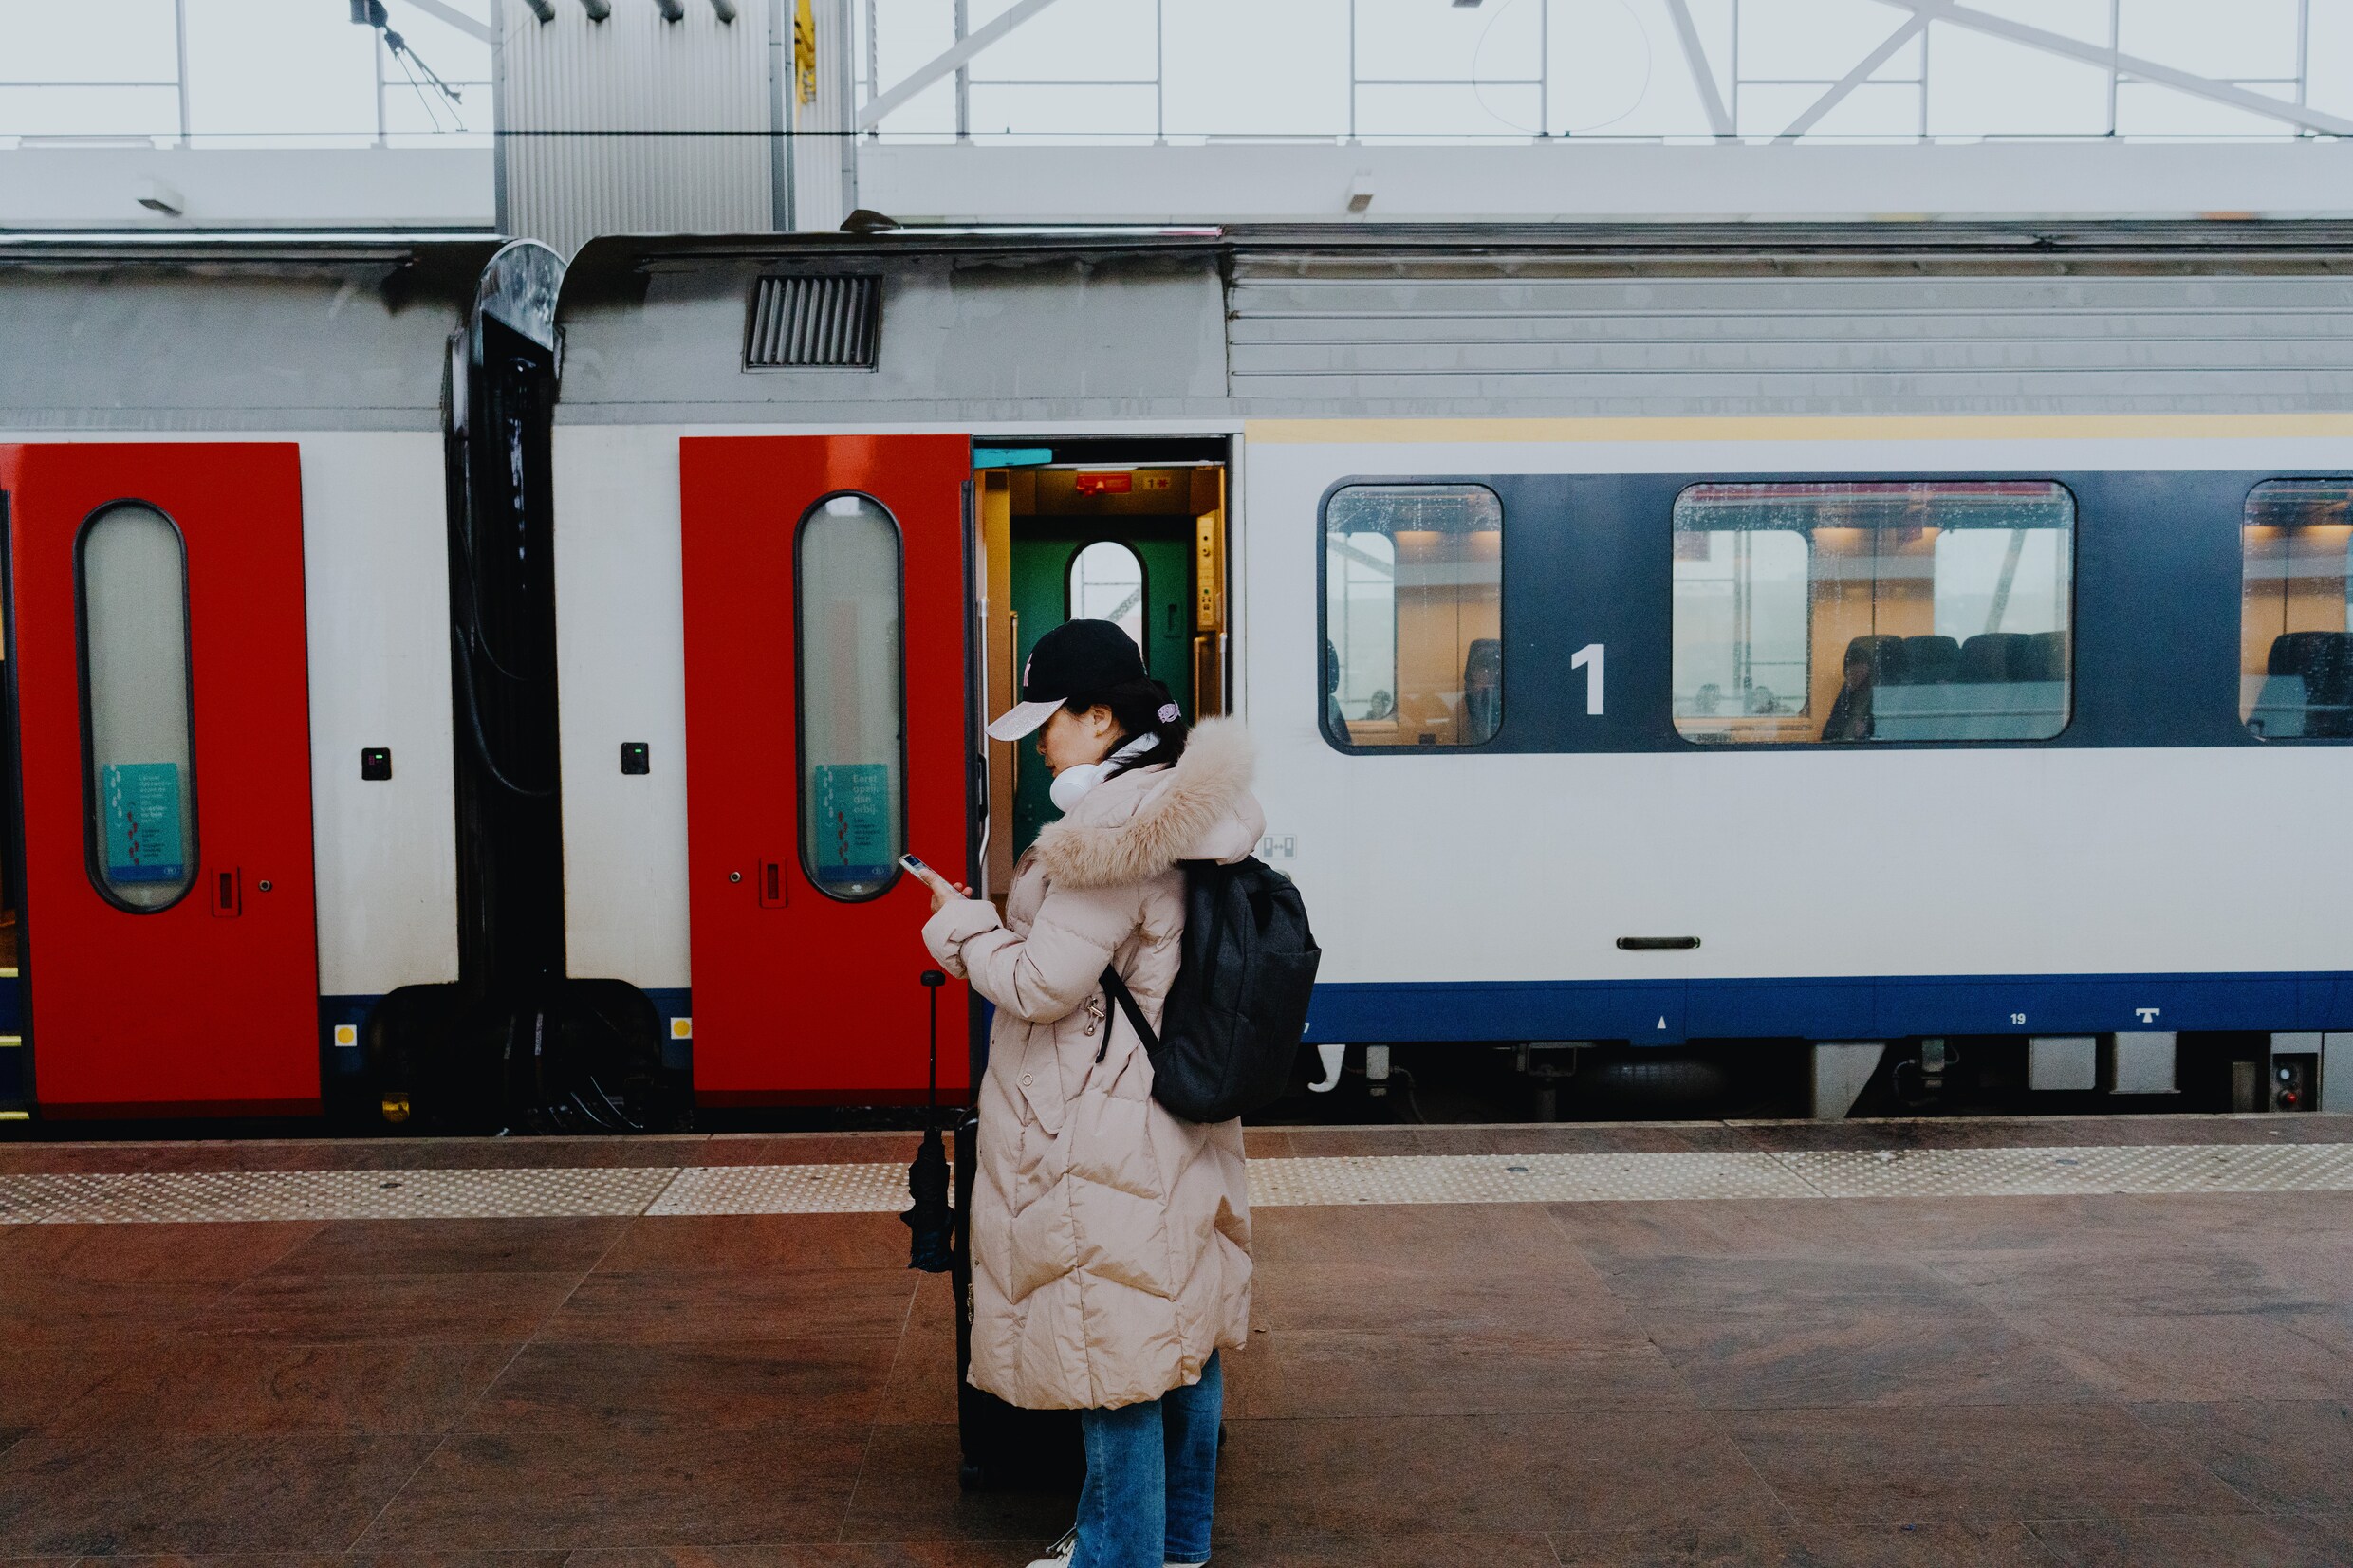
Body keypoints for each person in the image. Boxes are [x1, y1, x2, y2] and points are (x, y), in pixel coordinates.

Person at [913, 618, 1263, 1568]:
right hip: (1174, 1108)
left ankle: (1119, 1554)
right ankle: (1179, 1542)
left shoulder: (1109, 835)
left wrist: (959, 929)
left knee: (1110, 1348)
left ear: (1100, 718)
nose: (1039, 741)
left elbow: (1038, 987)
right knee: (1180, 1330)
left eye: (1051, 721)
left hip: (1099, 1126)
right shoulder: (1188, 814)